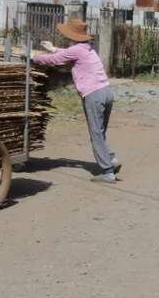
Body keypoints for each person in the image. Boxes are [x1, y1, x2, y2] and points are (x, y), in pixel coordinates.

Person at [32, 18, 121, 183]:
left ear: (72, 36)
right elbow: (66, 55)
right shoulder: (86, 49)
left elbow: (55, 60)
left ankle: (107, 172)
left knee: (95, 133)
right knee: (100, 131)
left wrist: (33, 56)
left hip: (94, 94)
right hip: (107, 91)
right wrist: (53, 48)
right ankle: (112, 159)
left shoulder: (77, 50)